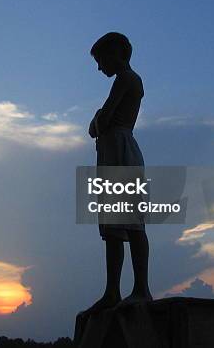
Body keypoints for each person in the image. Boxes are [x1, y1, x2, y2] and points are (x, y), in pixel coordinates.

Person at [84, 31, 153, 314]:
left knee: (133, 224)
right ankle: (112, 291)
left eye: (101, 60)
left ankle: (141, 289)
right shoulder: (123, 81)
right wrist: (99, 120)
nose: (100, 67)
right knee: (113, 228)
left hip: (122, 153)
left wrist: (99, 117)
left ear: (116, 53)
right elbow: (95, 127)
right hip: (111, 154)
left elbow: (103, 119)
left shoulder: (127, 79)